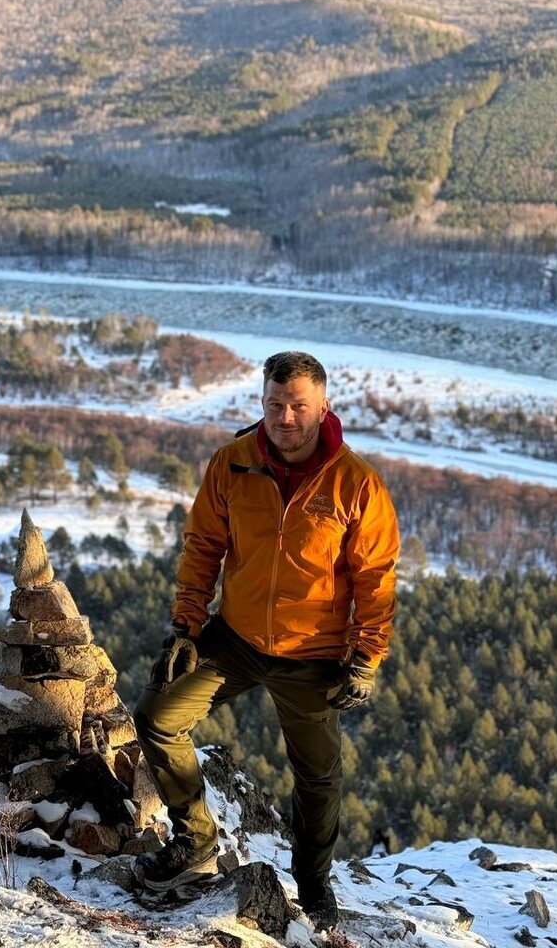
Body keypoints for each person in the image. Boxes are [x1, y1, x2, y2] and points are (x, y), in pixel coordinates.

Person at [132, 350, 400, 931]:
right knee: (156, 717)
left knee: (318, 775)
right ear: (262, 403)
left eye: (298, 405)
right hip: (237, 639)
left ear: (322, 406)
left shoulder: (355, 483)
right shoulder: (233, 463)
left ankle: (313, 884)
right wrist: (186, 625)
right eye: (275, 404)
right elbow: (203, 545)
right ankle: (196, 843)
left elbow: (375, 576)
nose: (285, 417)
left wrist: (366, 655)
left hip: (314, 655)